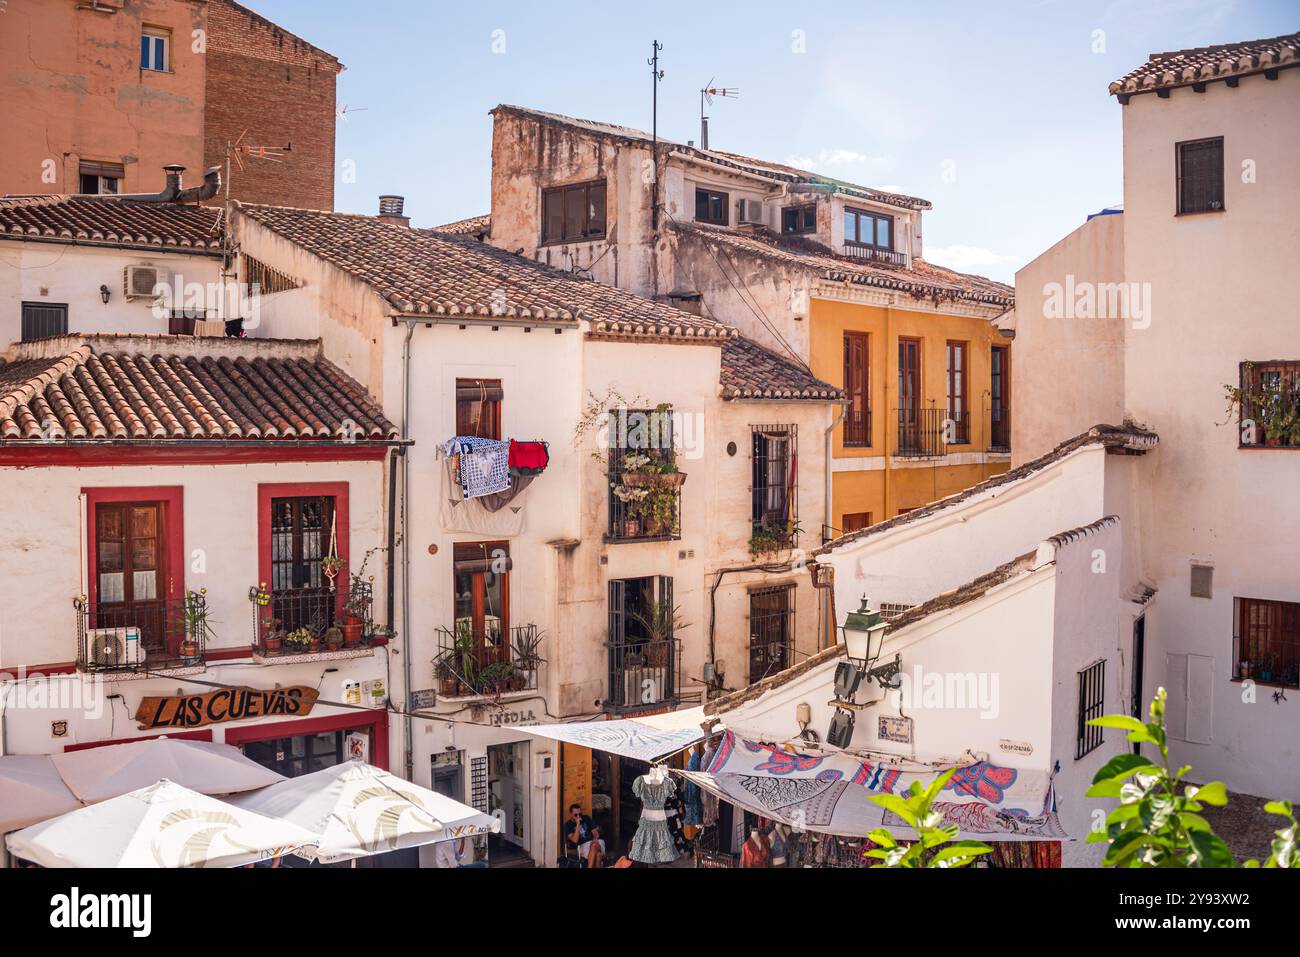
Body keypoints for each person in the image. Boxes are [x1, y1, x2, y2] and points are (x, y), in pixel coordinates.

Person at [563, 803, 597, 867]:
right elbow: (575, 840)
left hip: (593, 842)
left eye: (580, 814)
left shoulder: (586, 818)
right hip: (581, 846)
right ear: (571, 814)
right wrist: (578, 824)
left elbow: (595, 832)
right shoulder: (568, 825)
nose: (578, 816)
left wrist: (595, 839)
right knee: (598, 855)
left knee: (595, 845)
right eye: (576, 815)